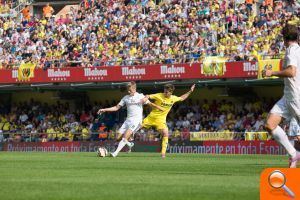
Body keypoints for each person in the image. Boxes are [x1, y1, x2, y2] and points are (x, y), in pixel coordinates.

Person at [262, 24, 300, 168]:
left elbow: (291, 72)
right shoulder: (297, 50)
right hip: (288, 96)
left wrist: (272, 73)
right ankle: (293, 154)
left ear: (284, 38)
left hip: (296, 97)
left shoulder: (291, 51)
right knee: (270, 124)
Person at [97, 81, 162, 157]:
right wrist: (104, 109)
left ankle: (115, 153)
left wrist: (159, 108)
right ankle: (130, 144)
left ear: (134, 88)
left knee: (125, 137)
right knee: (117, 138)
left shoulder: (140, 96)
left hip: (136, 120)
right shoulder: (126, 98)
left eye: (129, 89)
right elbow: (116, 108)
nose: (128, 91)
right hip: (128, 120)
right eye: (127, 89)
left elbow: (150, 104)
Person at [140, 83, 195, 158]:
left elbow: (182, 98)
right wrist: (145, 98)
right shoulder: (159, 95)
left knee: (166, 133)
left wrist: (190, 91)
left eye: (166, 92)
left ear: (171, 92)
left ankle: (163, 154)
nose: (164, 93)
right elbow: (148, 95)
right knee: (136, 128)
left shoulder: (173, 98)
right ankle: (125, 139)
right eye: (164, 91)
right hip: (151, 117)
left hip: (161, 120)